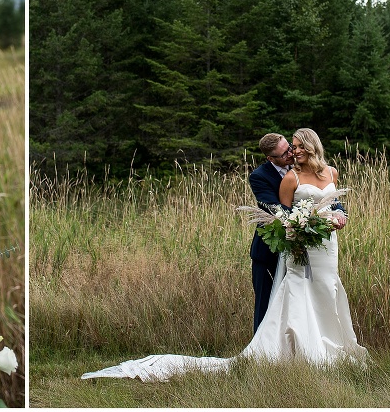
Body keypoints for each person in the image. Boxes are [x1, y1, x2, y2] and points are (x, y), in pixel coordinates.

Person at [82, 127, 366, 382]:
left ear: (311, 145)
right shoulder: (280, 177)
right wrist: (303, 226)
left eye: (295, 147)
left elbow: (334, 202)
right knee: (283, 298)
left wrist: (339, 216)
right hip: (291, 244)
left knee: (326, 290)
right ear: (272, 157)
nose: (292, 152)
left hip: (326, 247)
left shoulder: (330, 172)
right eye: (288, 150)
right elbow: (283, 214)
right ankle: (292, 353)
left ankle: (333, 347)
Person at [248, 133, 294, 331]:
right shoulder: (259, 176)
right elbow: (273, 208)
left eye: (290, 147)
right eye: (284, 154)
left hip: (298, 249)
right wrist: (305, 216)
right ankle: (259, 353)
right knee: (265, 303)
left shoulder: (303, 165)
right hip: (268, 251)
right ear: (271, 159)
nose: (291, 154)